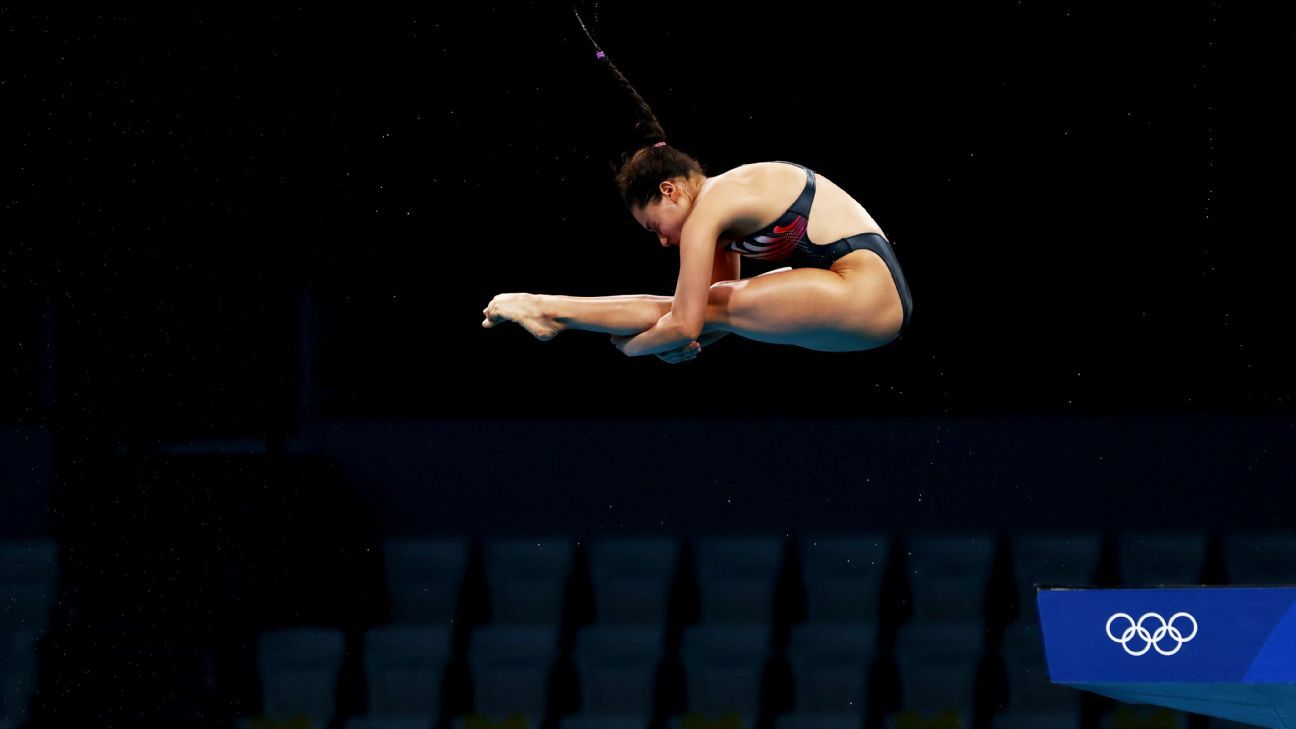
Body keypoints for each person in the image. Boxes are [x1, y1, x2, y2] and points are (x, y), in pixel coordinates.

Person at [481, 22, 913, 365]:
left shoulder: (712, 205)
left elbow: (685, 323)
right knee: (711, 304)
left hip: (866, 297)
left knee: (696, 308)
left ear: (669, 190)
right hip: (868, 310)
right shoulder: (724, 212)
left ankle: (548, 309)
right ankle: (549, 310)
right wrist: (668, 341)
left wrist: (631, 347)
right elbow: (704, 320)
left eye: (654, 226)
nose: (664, 240)